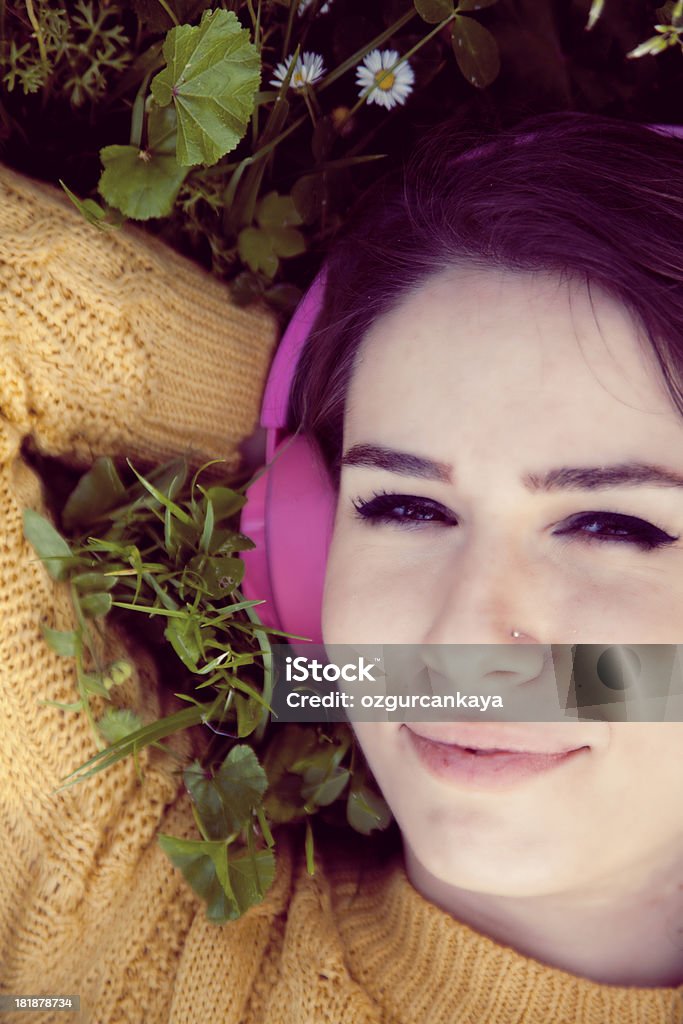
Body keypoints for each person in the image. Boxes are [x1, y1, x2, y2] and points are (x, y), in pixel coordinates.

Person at [0, 111, 682, 1024]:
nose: (462, 637)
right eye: (401, 506)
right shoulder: (112, 932)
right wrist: (264, 438)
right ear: (303, 556)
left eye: (609, 525)